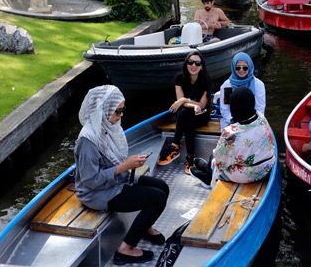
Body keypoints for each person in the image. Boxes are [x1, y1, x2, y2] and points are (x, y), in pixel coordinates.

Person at [74, 85, 168, 265]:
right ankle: (124, 250)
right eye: (118, 111)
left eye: (123, 110)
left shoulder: (107, 127)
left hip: (115, 181)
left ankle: (144, 226)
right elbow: (90, 181)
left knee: (162, 187)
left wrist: (129, 165)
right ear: (103, 110)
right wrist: (124, 166)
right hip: (97, 193)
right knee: (157, 198)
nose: (121, 115)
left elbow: (115, 163)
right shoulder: (88, 140)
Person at [190, 87, 276, 188]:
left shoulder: (231, 133)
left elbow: (220, 161)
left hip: (246, 176)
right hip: (266, 168)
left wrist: (214, 160)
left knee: (215, 156)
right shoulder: (261, 117)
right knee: (223, 154)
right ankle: (208, 168)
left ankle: (208, 177)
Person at [158, 52, 213, 174]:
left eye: (197, 63)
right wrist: (185, 102)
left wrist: (184, 100)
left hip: (202, 114)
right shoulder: (179, 79)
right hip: (187, 114)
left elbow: (202, 105)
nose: (193, 65)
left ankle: (175, 146)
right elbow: (181, 103)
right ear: (186, 64)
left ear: (201, 66)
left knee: (185, 115)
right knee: (186, 115)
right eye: (190, 62)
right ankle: (190, 156)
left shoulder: (206, 80)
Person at [218, 52, 266, 129]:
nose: (241, 70)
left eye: (245, 67)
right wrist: (234, 122)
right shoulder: (227, 85)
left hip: (253, 122)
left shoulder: (258, 85)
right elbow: (225, 109)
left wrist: (249, 123)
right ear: (233, 67)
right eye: (238, 67)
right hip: (231, 122)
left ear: (249, 67)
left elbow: (260, 108)